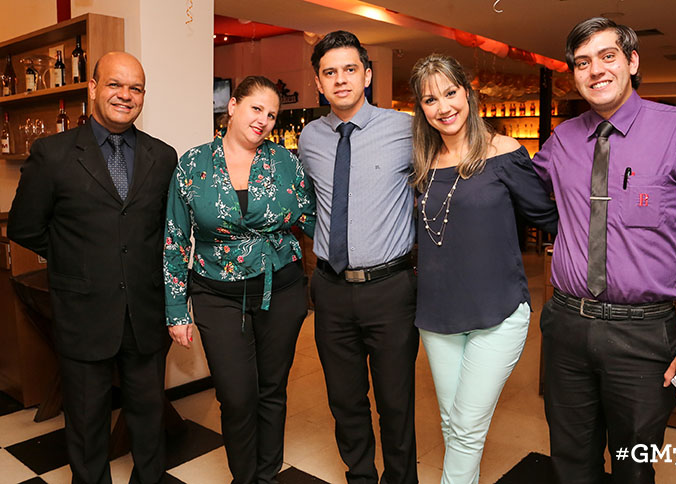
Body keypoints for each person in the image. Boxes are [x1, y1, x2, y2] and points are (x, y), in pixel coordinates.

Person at [532, 17, 676, 483]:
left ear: (632, 61)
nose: (595, 70)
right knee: (570, 464)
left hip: (643, 335)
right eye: (582, 62)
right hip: (567, 327)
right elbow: (520, 193)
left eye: (607, 56)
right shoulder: (562, 139)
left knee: (633, 468)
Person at [8, 52, 177, 484]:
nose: (125, 95)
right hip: (82, 312)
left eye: (135, 88)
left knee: (149, 420)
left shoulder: (163, 156)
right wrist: (78, 257)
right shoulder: (53, 154)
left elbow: (166, 230)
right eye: (115, 84)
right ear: (93, 87)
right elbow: (25, 227)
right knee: (86, 425)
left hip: (145, 312)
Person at [409, 54, 558, 484]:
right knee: (453, 424)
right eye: (430, 100)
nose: (443, 107)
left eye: (450, 93)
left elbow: (550, 218)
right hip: (438, 317)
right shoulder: (423, 162)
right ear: (422, 108)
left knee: (466, 429)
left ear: (468, 93)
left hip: (498, 312)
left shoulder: (503, 153)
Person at [164, 75, 316, 484]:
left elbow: (313, 218)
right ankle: (244, 477)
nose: (264, 120)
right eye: (256, 108)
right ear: (232, 106)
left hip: (281, 289)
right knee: (236, 396)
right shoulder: (193, 164)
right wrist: (176, 309)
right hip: (216, 294)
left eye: (272, 115)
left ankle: (265, 475)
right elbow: (175, 237)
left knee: (272, 390)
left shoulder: (285, 162)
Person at [297, 31, 419, 484]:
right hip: (330, 290)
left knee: (396, 402)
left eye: (350, 69)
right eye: (330, 72)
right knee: (345, 401)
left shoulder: (406, 128)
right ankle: (361, 477)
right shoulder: (310, 137)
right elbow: (308, 202)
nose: (341, 79)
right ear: (318, 83)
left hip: (390, 289)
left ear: (367, 75)